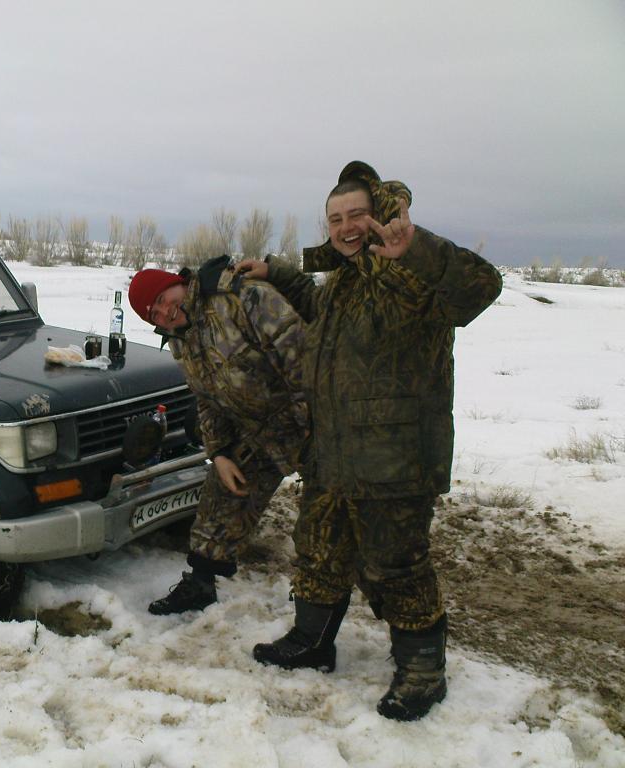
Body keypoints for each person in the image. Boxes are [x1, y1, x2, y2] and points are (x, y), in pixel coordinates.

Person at [237, 161, 502, 721]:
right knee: (320, 549)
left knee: (394, 564)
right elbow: (317, 311)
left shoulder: (407, 272)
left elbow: (482, 287)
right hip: (334, 451)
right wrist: (279, 274)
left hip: (394, 456)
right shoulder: (346, 280)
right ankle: (312, 642)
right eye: (335, 218)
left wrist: (418, 249)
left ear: (380, 213)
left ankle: (423, 670)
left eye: (356, 213)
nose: (346, 225)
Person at [127, 255, 307, 615]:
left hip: (314, 419)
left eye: (163, 299)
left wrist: (314, 432)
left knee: (326, 522)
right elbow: (207, 400)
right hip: (260, 429)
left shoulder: (242, 298)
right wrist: (220, 453)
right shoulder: (181, 339)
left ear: (177, 283)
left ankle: (317, 605)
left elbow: (307, 362)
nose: (165, 312)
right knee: (219, 499)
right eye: (154, 314)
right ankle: (200, 585)